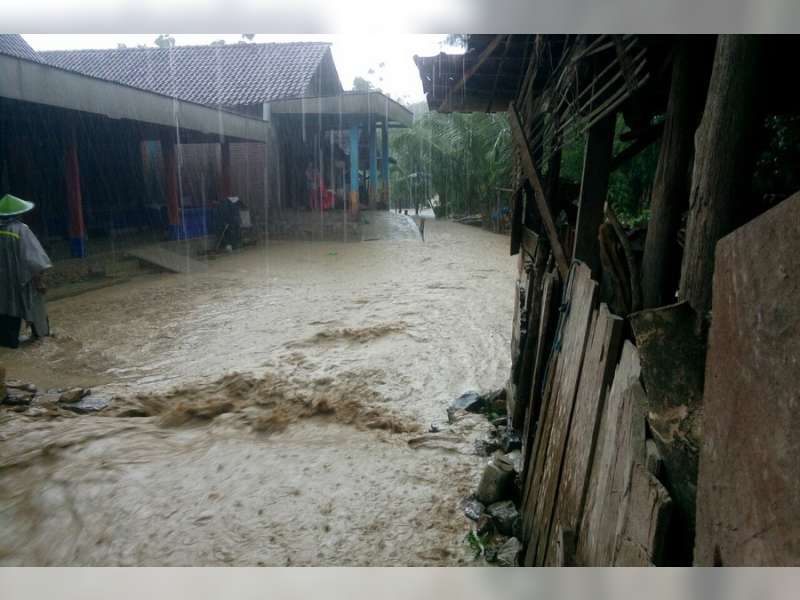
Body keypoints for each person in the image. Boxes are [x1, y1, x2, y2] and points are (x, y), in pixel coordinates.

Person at [0, 194, 52, 348]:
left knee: (6, 312)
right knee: (35, 307)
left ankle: (9, 344)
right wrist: (39, 281)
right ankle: (41, 337)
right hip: (22, 280)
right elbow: (34, 260)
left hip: (2, 285)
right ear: (18, 214)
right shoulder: (21, 230)